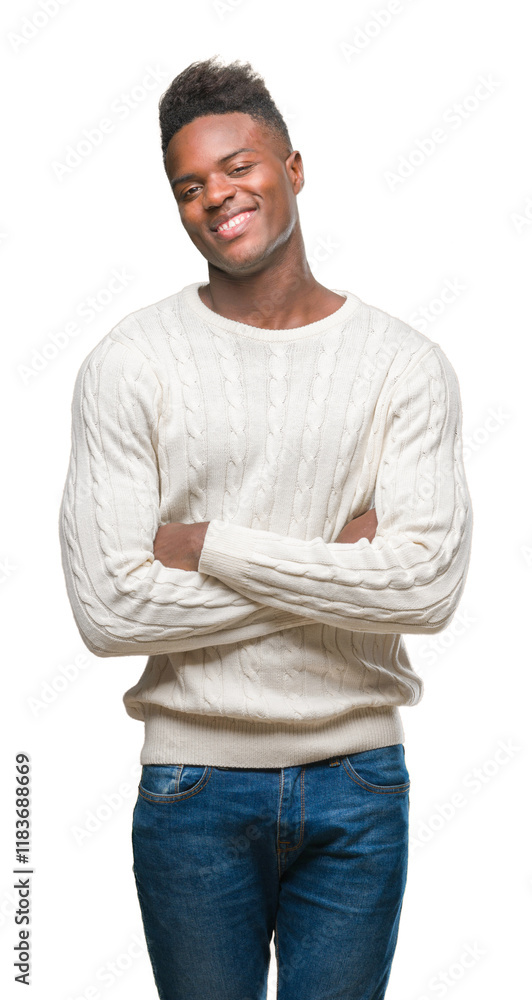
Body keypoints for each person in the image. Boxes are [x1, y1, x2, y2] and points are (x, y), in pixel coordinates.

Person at [58, 56, 473, 1000]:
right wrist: (340, 571)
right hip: (194, 784)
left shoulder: (403, 364)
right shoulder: (129, 363)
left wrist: (211, 547)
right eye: (189, 185)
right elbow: (110, 610)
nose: (216, 195)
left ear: (293, 167)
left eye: (237, 166)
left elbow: (427, 589)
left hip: (359, 779)